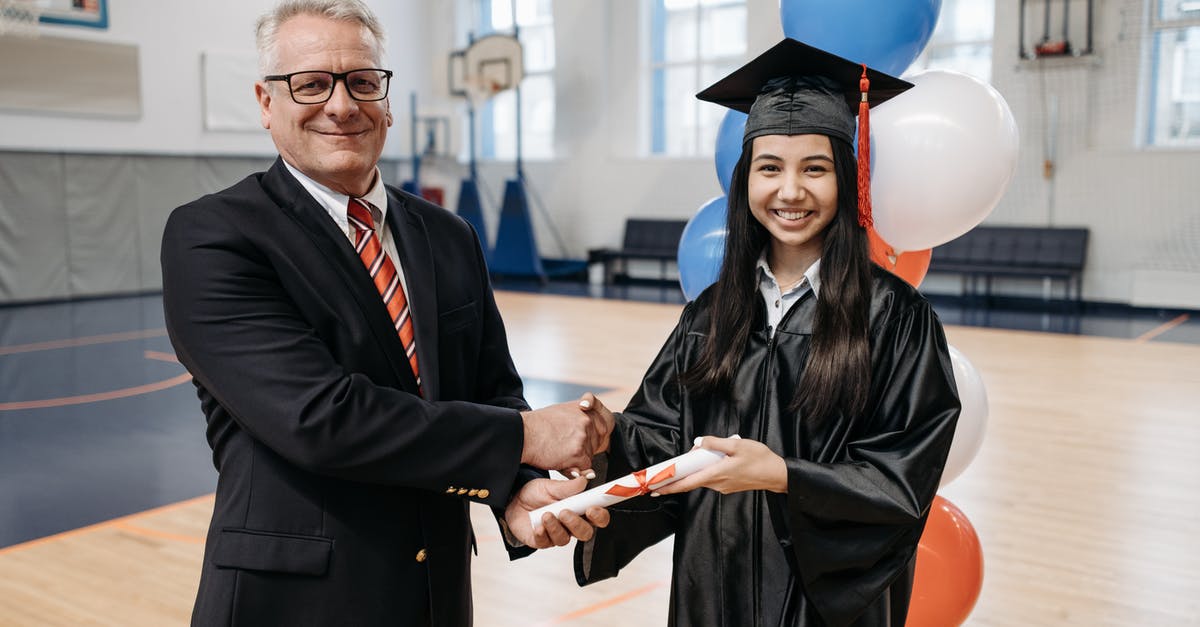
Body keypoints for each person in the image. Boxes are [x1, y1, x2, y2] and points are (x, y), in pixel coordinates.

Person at [160, 1, 609, 625]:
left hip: (435, 592)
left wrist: (515, 490)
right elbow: (320, 418)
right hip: (295, 600)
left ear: (387, 100)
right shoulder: (214, 236)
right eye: (311, 83)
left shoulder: (448, 235)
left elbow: (492, 390)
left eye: (362, 82)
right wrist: (526, 439)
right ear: (267, 104)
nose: (341, 105)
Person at [573, 39, 962, 626]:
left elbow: (902, 480)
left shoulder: (897, 319)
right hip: (713, 587)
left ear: (848, 180)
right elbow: (661, 438)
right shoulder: (710, 315)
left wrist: (782, 475)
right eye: (769, 168)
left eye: (816, 169)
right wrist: (605, 442)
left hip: (824, 606)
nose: (790, 192)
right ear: (744, 182)